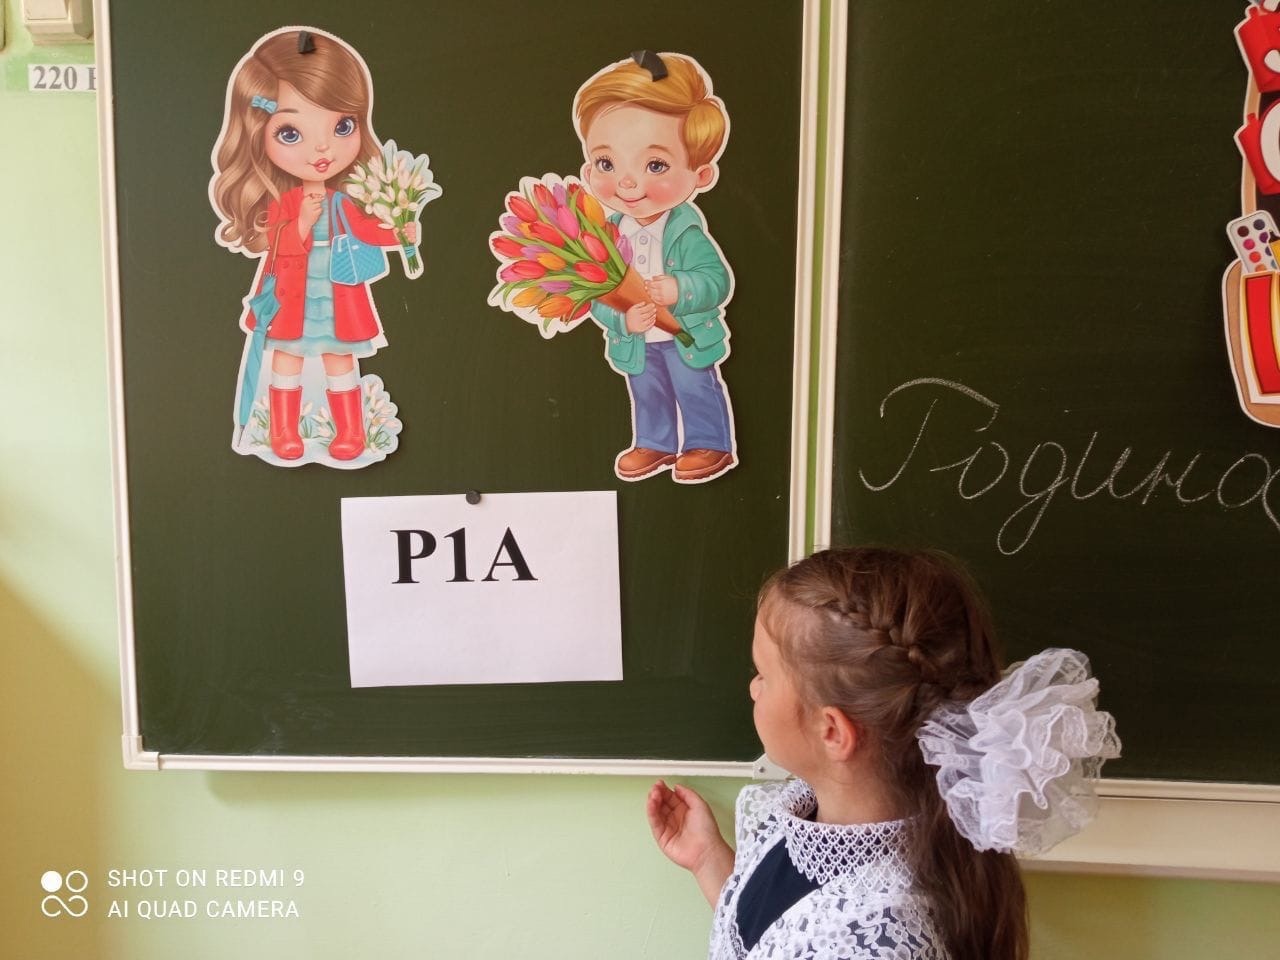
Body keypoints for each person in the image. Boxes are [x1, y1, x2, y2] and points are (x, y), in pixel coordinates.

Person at [646, 547, 1120, 960]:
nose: (753, 688)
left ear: (832, 731)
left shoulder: (879, 940)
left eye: (763, 675)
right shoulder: (797, 815)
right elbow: (776, 937)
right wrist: (709, 859)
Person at [210, 28, 415, 464]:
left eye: (342, 126)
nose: (323, 148)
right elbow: (276, 246)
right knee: (287, 359)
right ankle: (284, 432)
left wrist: (398, 234)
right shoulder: (284, 202)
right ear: (259, 133)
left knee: (341, 360)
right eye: (290, 133)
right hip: (292, 298)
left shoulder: (343, 200)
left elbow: (366, 229)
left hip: (337, 292)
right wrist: (301, 222)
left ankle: (351, 431)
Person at [575, 52, 738, 483]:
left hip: (686, 335)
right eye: (607, 163)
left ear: (701, 175)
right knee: (647, 391)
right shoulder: (605, 236)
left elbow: (716, 281)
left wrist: (680, 288)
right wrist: (623, 319)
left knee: (694, 386)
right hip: (637, 339)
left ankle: (709, 443)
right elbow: (598, 293)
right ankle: (655, 442)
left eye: (655, 165)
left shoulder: (686, 231)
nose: (627, 182)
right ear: (589, 167)